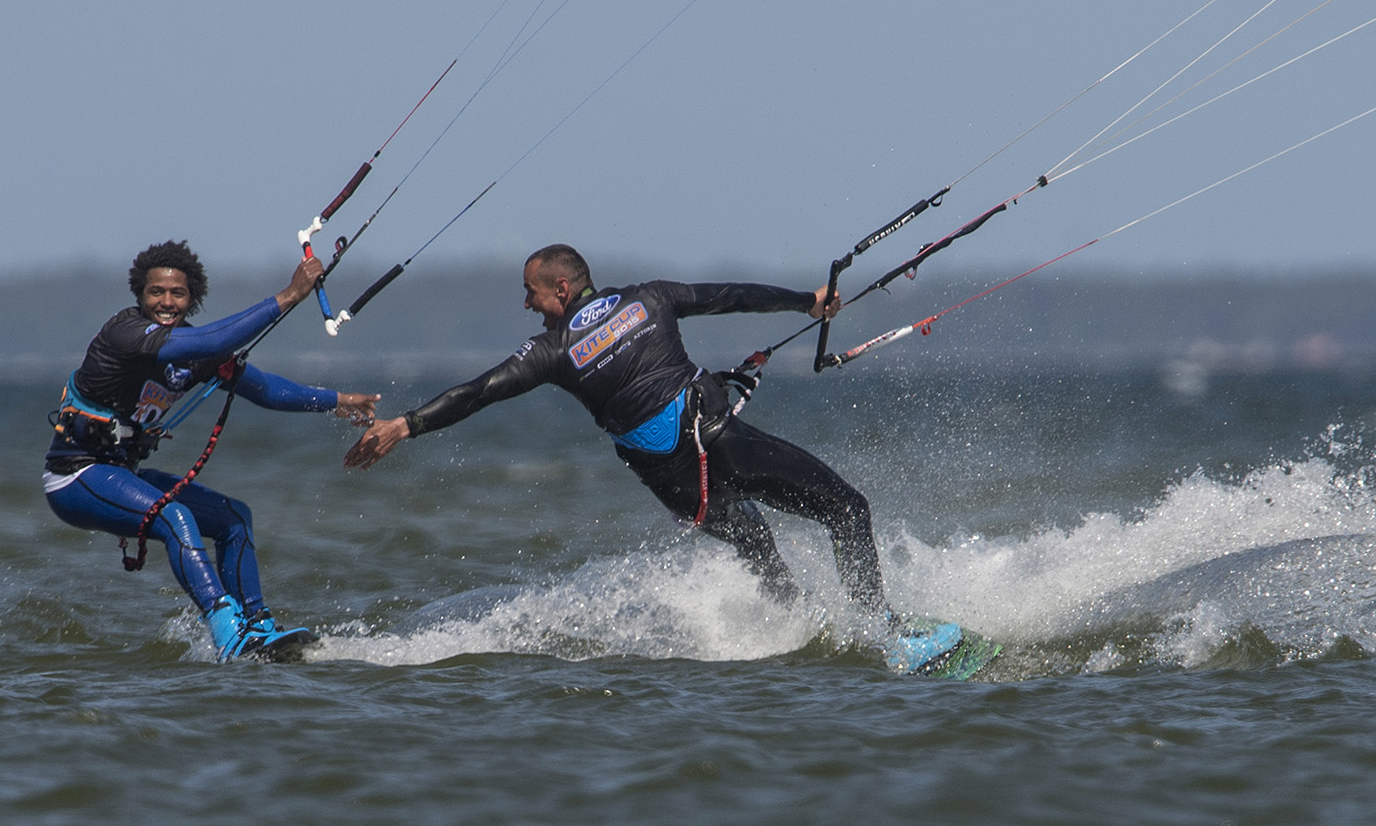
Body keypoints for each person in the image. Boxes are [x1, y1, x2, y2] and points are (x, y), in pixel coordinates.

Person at [342, 242, 962, 672]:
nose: (527, 305)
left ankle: (797, 631)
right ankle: (884, 635)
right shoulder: (651, 298)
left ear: (562, 288)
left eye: (531, 293)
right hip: (721, 445)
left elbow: (478, 392)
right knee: (847, 510)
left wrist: (406, 425)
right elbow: (729, 296)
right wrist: (807, 301)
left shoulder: (551, 352)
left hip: (679, 487)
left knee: (755, 543)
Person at [44, 240, 377, 660]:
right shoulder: (125, 333)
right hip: (74, 476)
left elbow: (265, 389)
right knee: (174, 516)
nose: (167, 302)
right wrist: (289, 295)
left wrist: (337, 401)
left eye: (177, 293)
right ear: (140, 296)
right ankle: (227, 634)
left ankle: (258, 628)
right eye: (156, 292)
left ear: (193, 297)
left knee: (234, 518)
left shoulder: (196, 353)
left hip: (121, 474)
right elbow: (205, 341)